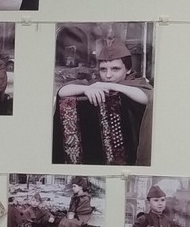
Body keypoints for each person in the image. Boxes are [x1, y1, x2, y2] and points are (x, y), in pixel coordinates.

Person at [53, 38, 153, 166]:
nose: (108, 75)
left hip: (133, 152)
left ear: (128, 69)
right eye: (103, 69)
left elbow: (147, 98)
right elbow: (62, 91)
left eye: (115, 69)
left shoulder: (137, 83)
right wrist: (86, 89)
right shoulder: (96, 83)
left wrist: (111, 86)